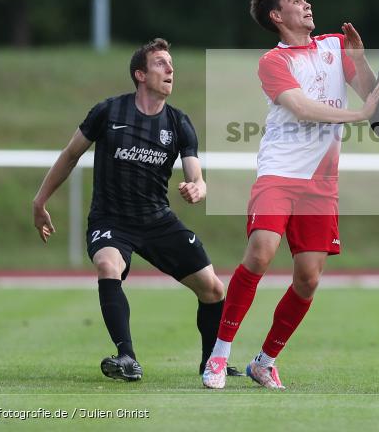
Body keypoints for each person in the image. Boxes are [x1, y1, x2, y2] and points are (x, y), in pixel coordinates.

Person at [202, 0, 379, 390]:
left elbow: (373, 93)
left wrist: (361, 57)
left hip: (321, 183)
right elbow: (301, 107)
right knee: (261, 253)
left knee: (308, 278)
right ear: (276, 15)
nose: (306, 4)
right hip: (280, 173)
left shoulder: (337, 45)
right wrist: (356, 116)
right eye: (296, 1)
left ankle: (264, 361)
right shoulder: (273, 61)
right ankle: (219, 353)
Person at [33, 38, 233, 381]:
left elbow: (196, 175)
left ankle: (209, 363)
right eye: (160, 63)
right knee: (108, 265)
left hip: (157, 220)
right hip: (111, 220)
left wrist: (197, 189)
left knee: (213, 289)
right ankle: (126, 357)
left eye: (171, 64)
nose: (170, 69)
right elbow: (70, 155)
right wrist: (39, 201)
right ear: (140, 74)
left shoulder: (179, 123)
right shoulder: (108, 112)